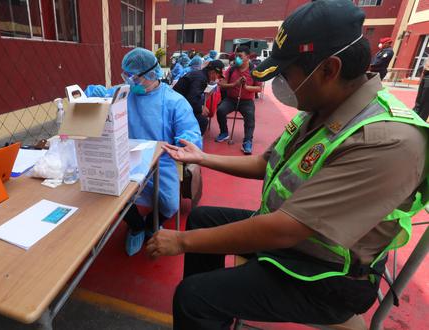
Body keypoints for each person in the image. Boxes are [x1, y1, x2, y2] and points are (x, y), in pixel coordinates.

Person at [146, 1, 428, 329]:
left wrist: (180, 242)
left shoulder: (387, 140)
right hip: (294, 241)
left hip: (327, 275)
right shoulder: (325, 107)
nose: (282, 83)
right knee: (200, 218)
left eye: (287, 73)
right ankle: (218, 310)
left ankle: (209, 306)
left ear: (328, 69)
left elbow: (287, 228)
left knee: (192, 296)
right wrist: (202, 157)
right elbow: (270, 163)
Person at [93, 48, 202, 256]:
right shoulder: (124, 93)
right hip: (126, 158)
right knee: (114, 196)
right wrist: (91, 94)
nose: (131, 81)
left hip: (162, 161)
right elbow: (96, 96)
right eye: (128, 76)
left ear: (153, 74)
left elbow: (191, 133)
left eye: (136, 77)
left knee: (170, 205)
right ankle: (136, 226)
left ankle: (153, 224)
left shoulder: (174, 101)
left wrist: (185, 141)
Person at [215, 46, 262, 155]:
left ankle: (247, 141)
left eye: (240, 56)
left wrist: (246, 87)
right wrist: (234, 84)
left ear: (248, 57)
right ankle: (224, 132)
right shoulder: (231, 69)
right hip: (231, 99)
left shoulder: (254, 70)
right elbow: (222, 84)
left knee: (250, 117)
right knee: (220, 110)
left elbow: (259, 88)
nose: (237, 58)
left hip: (246, 101)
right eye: (236, 56)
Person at [173, 60, 225, 135]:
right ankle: (193, 142)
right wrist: (200, 108)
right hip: (177, 107)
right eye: (219, 76)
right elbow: (191, 99)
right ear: (213, 72)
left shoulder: (200, 75)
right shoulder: (201, 79)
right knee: (203, 121)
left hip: (180, 103)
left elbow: (195, 96)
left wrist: (201, 106)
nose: (218, 79)